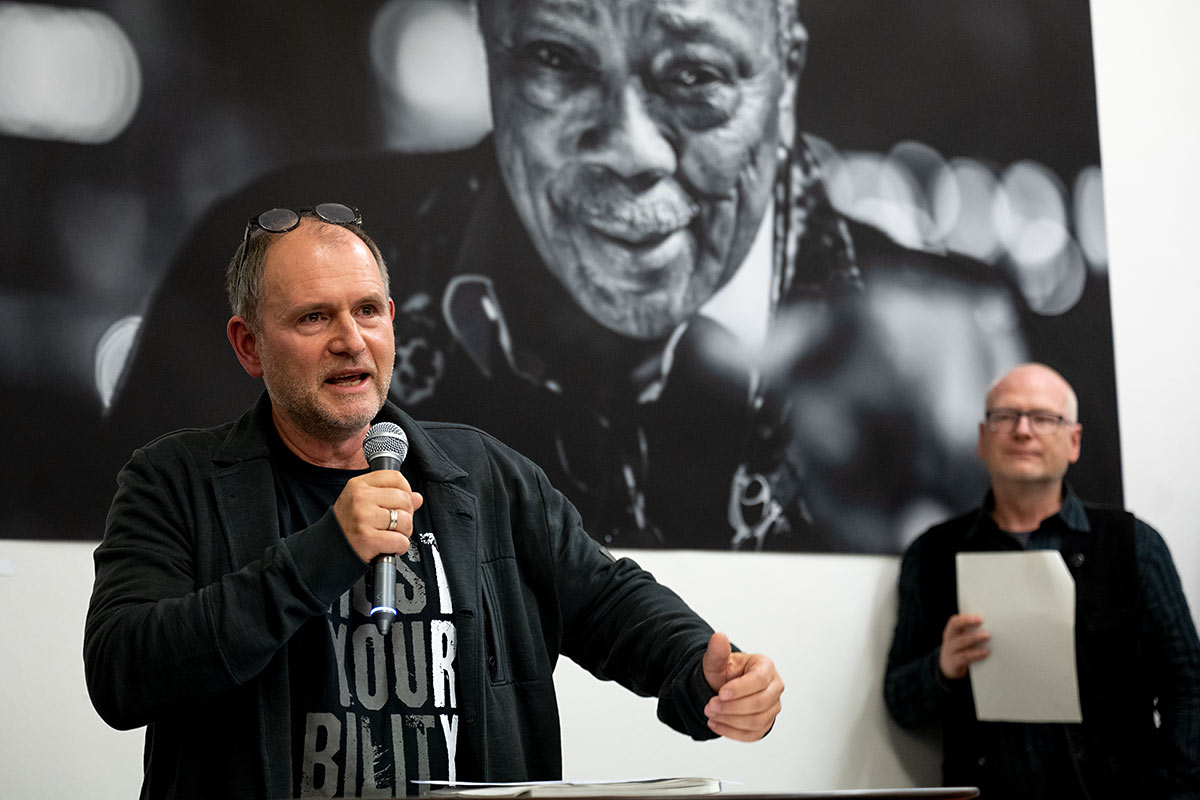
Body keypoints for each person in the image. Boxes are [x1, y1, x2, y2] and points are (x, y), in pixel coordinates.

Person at [94, 0, 1039, 555]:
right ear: (491, 48)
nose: (629, 148)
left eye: (696, 75)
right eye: (556, 60)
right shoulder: (278, 263)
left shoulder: (956, 351)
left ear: (785, 76)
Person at [84, 206, 785, 800]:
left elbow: (609, 601)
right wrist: (324, 553)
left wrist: (706, 673)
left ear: (391, 321)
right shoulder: (175, 481)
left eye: (366, 311)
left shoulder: (483, 475)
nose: (350, 340)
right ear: (249, 345)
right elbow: (123, 674)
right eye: (313, 317)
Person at [884, 362, 1200, 799]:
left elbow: (1189, 685)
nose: (1022, 430)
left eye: (1044, 418)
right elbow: (898, 700)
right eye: (1005, 416)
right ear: (981, 438)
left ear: (1074, 442)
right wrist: (942, 667)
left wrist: (1178, 794)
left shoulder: (1132, 545)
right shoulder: (933, 553)